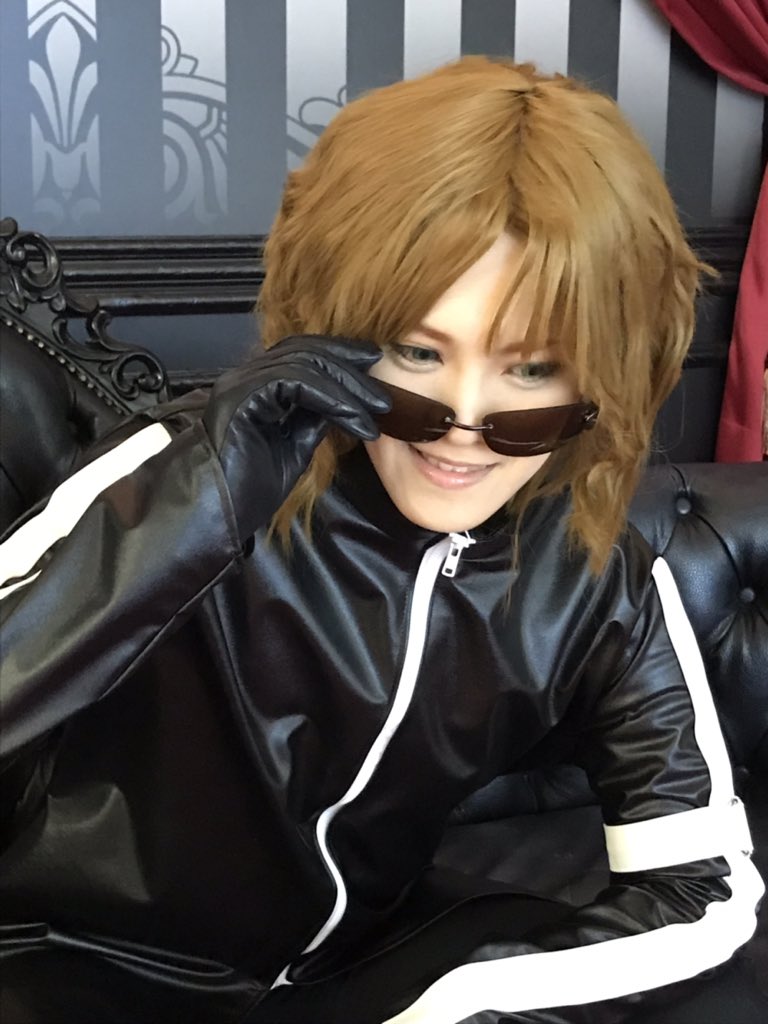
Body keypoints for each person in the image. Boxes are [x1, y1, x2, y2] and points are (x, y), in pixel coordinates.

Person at [0, 56, 763, 1024]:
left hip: (349, 972)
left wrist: (459, 1000)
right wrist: (190, 510)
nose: (465, 424)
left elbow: (703, 886)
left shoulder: (597, 573)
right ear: (334, 326)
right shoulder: (186, 467)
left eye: (532, 370)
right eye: (416, 351)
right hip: (66, 959)